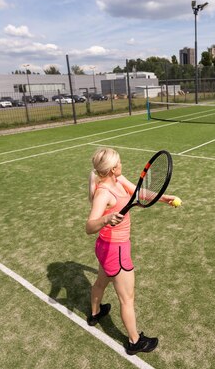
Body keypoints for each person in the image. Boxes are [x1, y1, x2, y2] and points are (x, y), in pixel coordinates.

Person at [86, 147, 177, 355]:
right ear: (110, 169)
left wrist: (164, 198)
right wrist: (106, 219)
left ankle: (95, 313)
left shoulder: (117, 180)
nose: (121, 164)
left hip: (107, 247)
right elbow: (89, 227)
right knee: (127, 298)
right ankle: (135, 341)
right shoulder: (103, 193)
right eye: (118, 163)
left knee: (101, 281)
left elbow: (138, 193)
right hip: (115, 250)